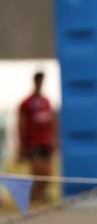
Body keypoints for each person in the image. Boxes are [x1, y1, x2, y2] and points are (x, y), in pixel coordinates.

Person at [18, 71, 57, 204]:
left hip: (46, 142)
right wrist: (22, 146)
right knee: (38, 174)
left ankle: (37, 197)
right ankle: (32, 199)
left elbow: (51, 122)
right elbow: (21, 124)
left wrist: (54, 140)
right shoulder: (27, 103)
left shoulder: (46, 101)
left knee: (48, 175)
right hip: (33, 143)